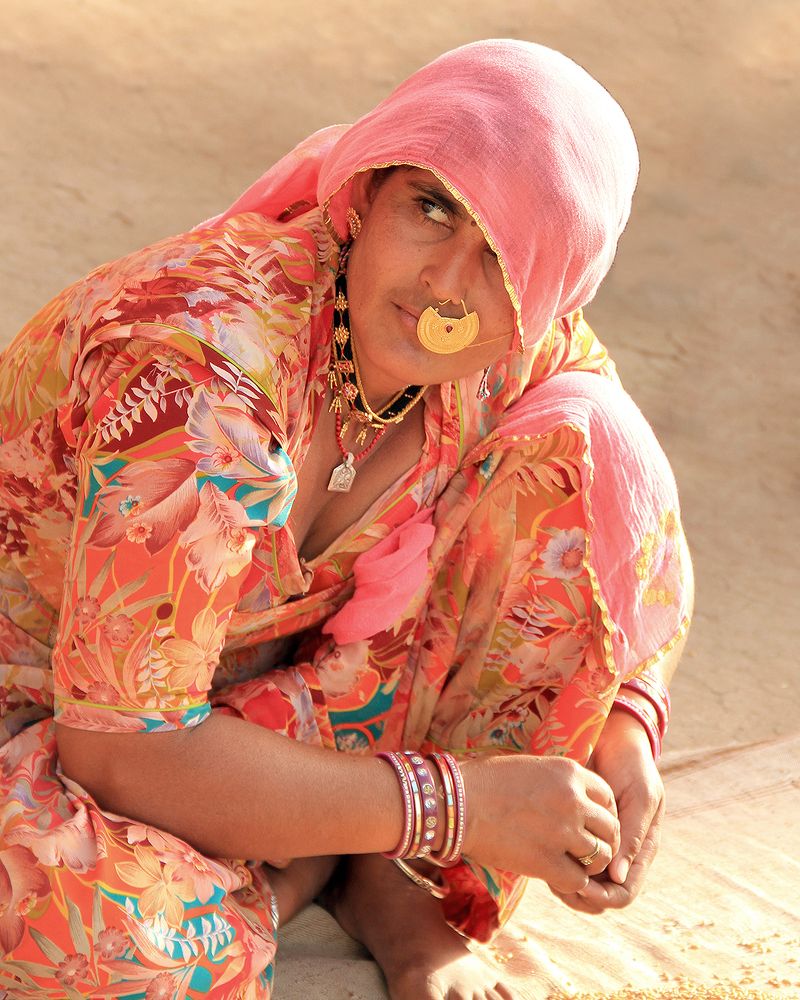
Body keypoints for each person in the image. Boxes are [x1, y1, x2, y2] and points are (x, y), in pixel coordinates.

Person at [0, 39, 692, 1000]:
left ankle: (376, 875)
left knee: (589, 447)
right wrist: (451, 804)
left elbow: (617, 479)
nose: (446, 287)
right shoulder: (202, 374)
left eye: (504, 256)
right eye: (432, 208)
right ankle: (311, 859)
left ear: (553, 286)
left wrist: (624, 722)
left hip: (263, 705)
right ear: (366, 194)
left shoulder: (510, 341)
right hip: (65, 722)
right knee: (111, 939)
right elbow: (117, 748)